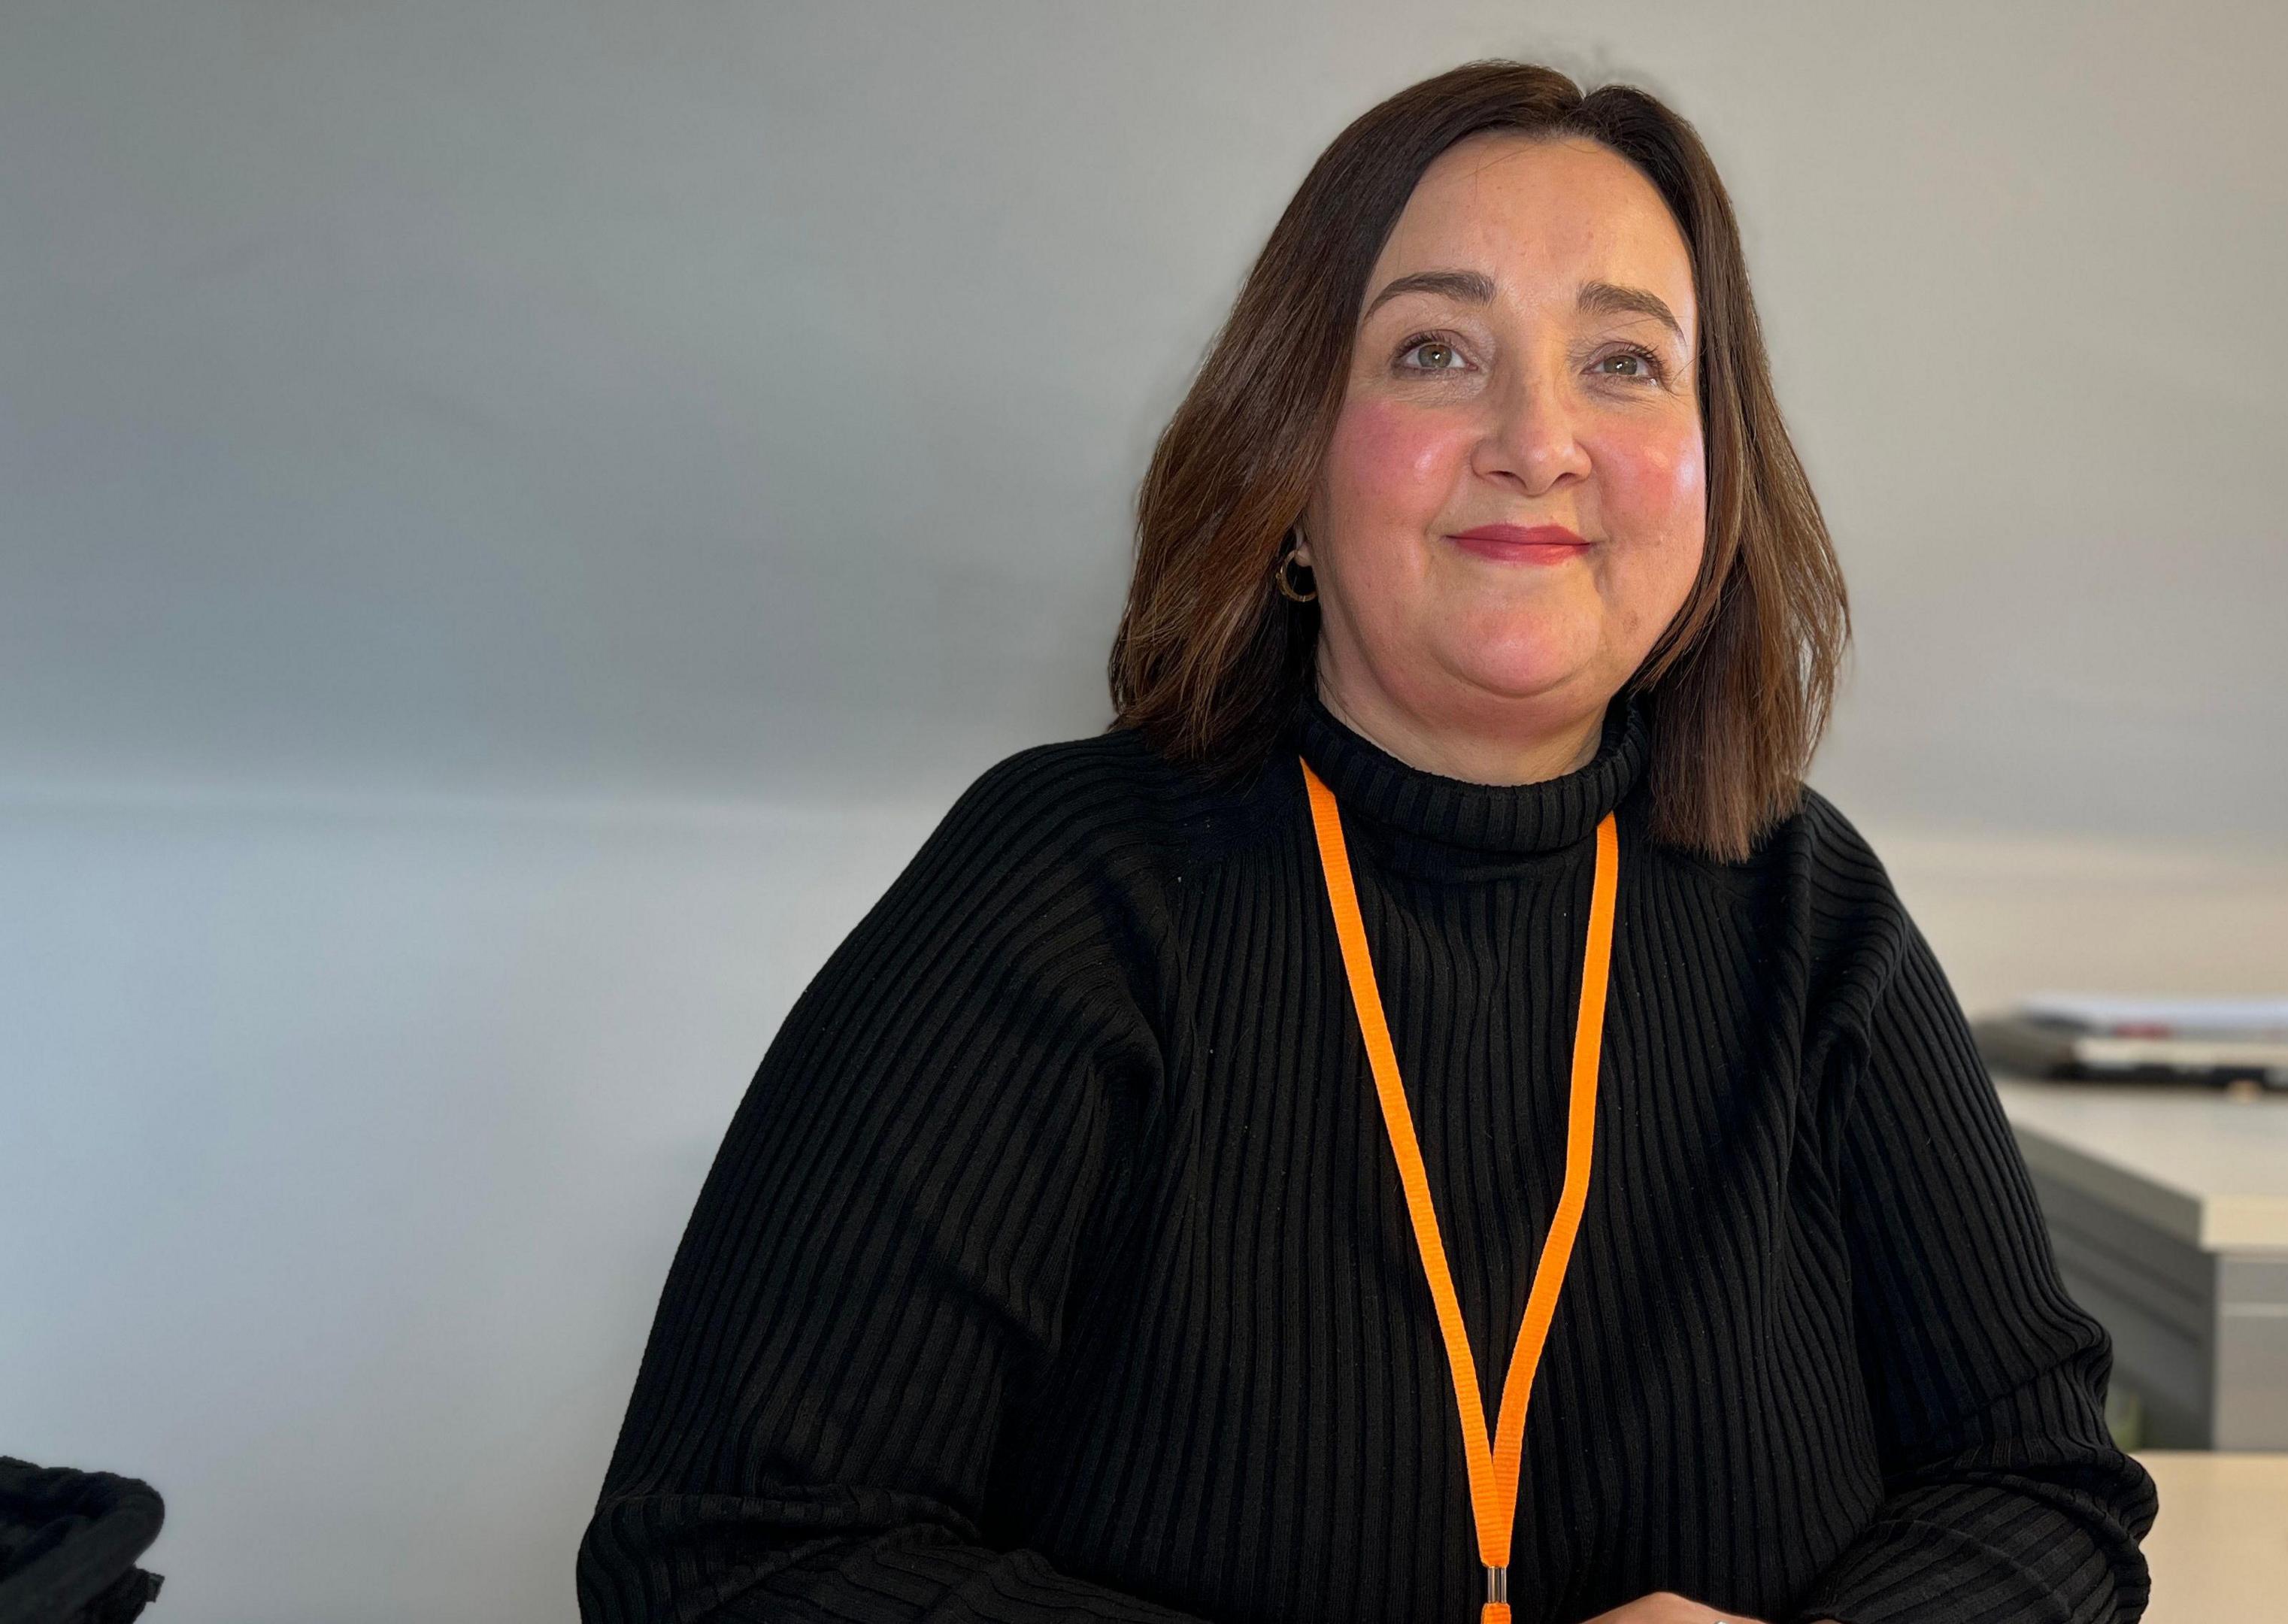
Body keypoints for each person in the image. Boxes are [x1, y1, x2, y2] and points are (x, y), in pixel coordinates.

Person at [578, 59, 2156, 1624]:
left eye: (1625, 362)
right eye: (1434, 351)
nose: (1538, 440)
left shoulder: (1811, 913)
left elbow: (2039, 1485)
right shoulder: (1058, 888)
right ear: (1291, 461)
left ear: (1715, 470)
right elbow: (732, 1556)